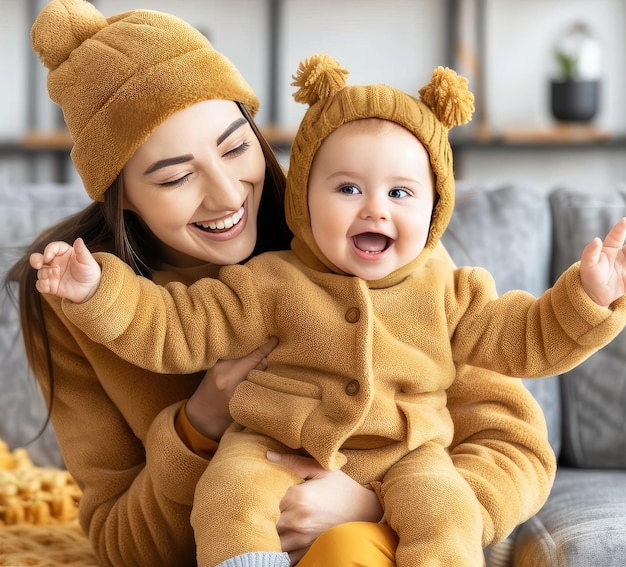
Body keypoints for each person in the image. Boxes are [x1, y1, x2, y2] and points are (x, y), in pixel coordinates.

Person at [12, 1, 556, 566]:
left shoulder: (357, 234)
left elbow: (515, 448)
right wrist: (201, 424)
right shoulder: (77, 299)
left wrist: (375, 505)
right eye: (176, 176)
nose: (227, 196)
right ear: (119, 195)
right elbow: (127, 545)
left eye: (236, 146)